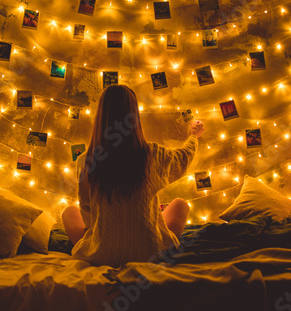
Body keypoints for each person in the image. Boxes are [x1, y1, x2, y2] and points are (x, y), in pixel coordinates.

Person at [62, 85, 205, 267]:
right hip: (151, 252)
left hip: (101, 254)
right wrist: (194, 136)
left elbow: (87, 209)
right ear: (133, 116)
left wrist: (102, 235)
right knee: (181, 204)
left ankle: (105, 245)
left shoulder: (87, 160)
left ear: (100, 115)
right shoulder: (152, 154)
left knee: (69, 212)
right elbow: (182, 158)